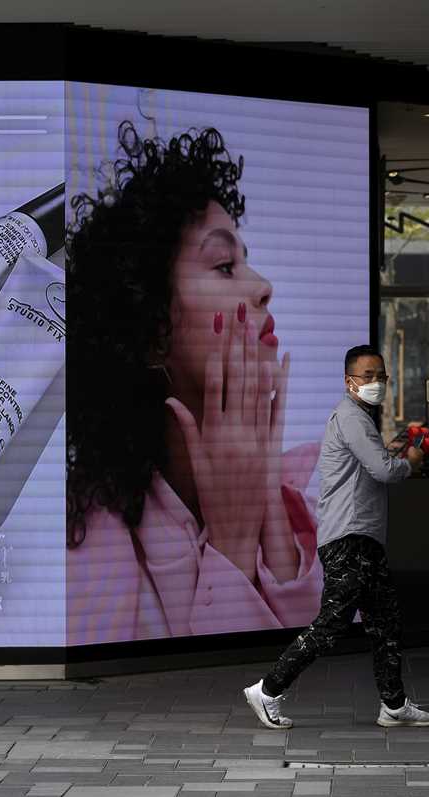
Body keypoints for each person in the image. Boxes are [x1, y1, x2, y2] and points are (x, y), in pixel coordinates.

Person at [66, 121, 323, 645]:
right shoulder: (85, 545)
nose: (263, 286)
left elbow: (337, 680)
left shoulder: (315, 504)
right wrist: (231, 548)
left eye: (245, 261)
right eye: (225, 265)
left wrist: (269, 505)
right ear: (152, 331)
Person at [244, 345, 429, 729]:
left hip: (362, 537)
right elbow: (384, 471)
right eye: (368, 376)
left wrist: (393, 454)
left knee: (385, 622)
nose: (376, 382)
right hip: (349, 538)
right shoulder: (351, 417)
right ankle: (267, 690)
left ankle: (393, 704)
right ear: (349, 382)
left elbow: (370, 465)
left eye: (381, 376)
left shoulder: (357, 419)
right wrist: (410, 463)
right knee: (333, 623)